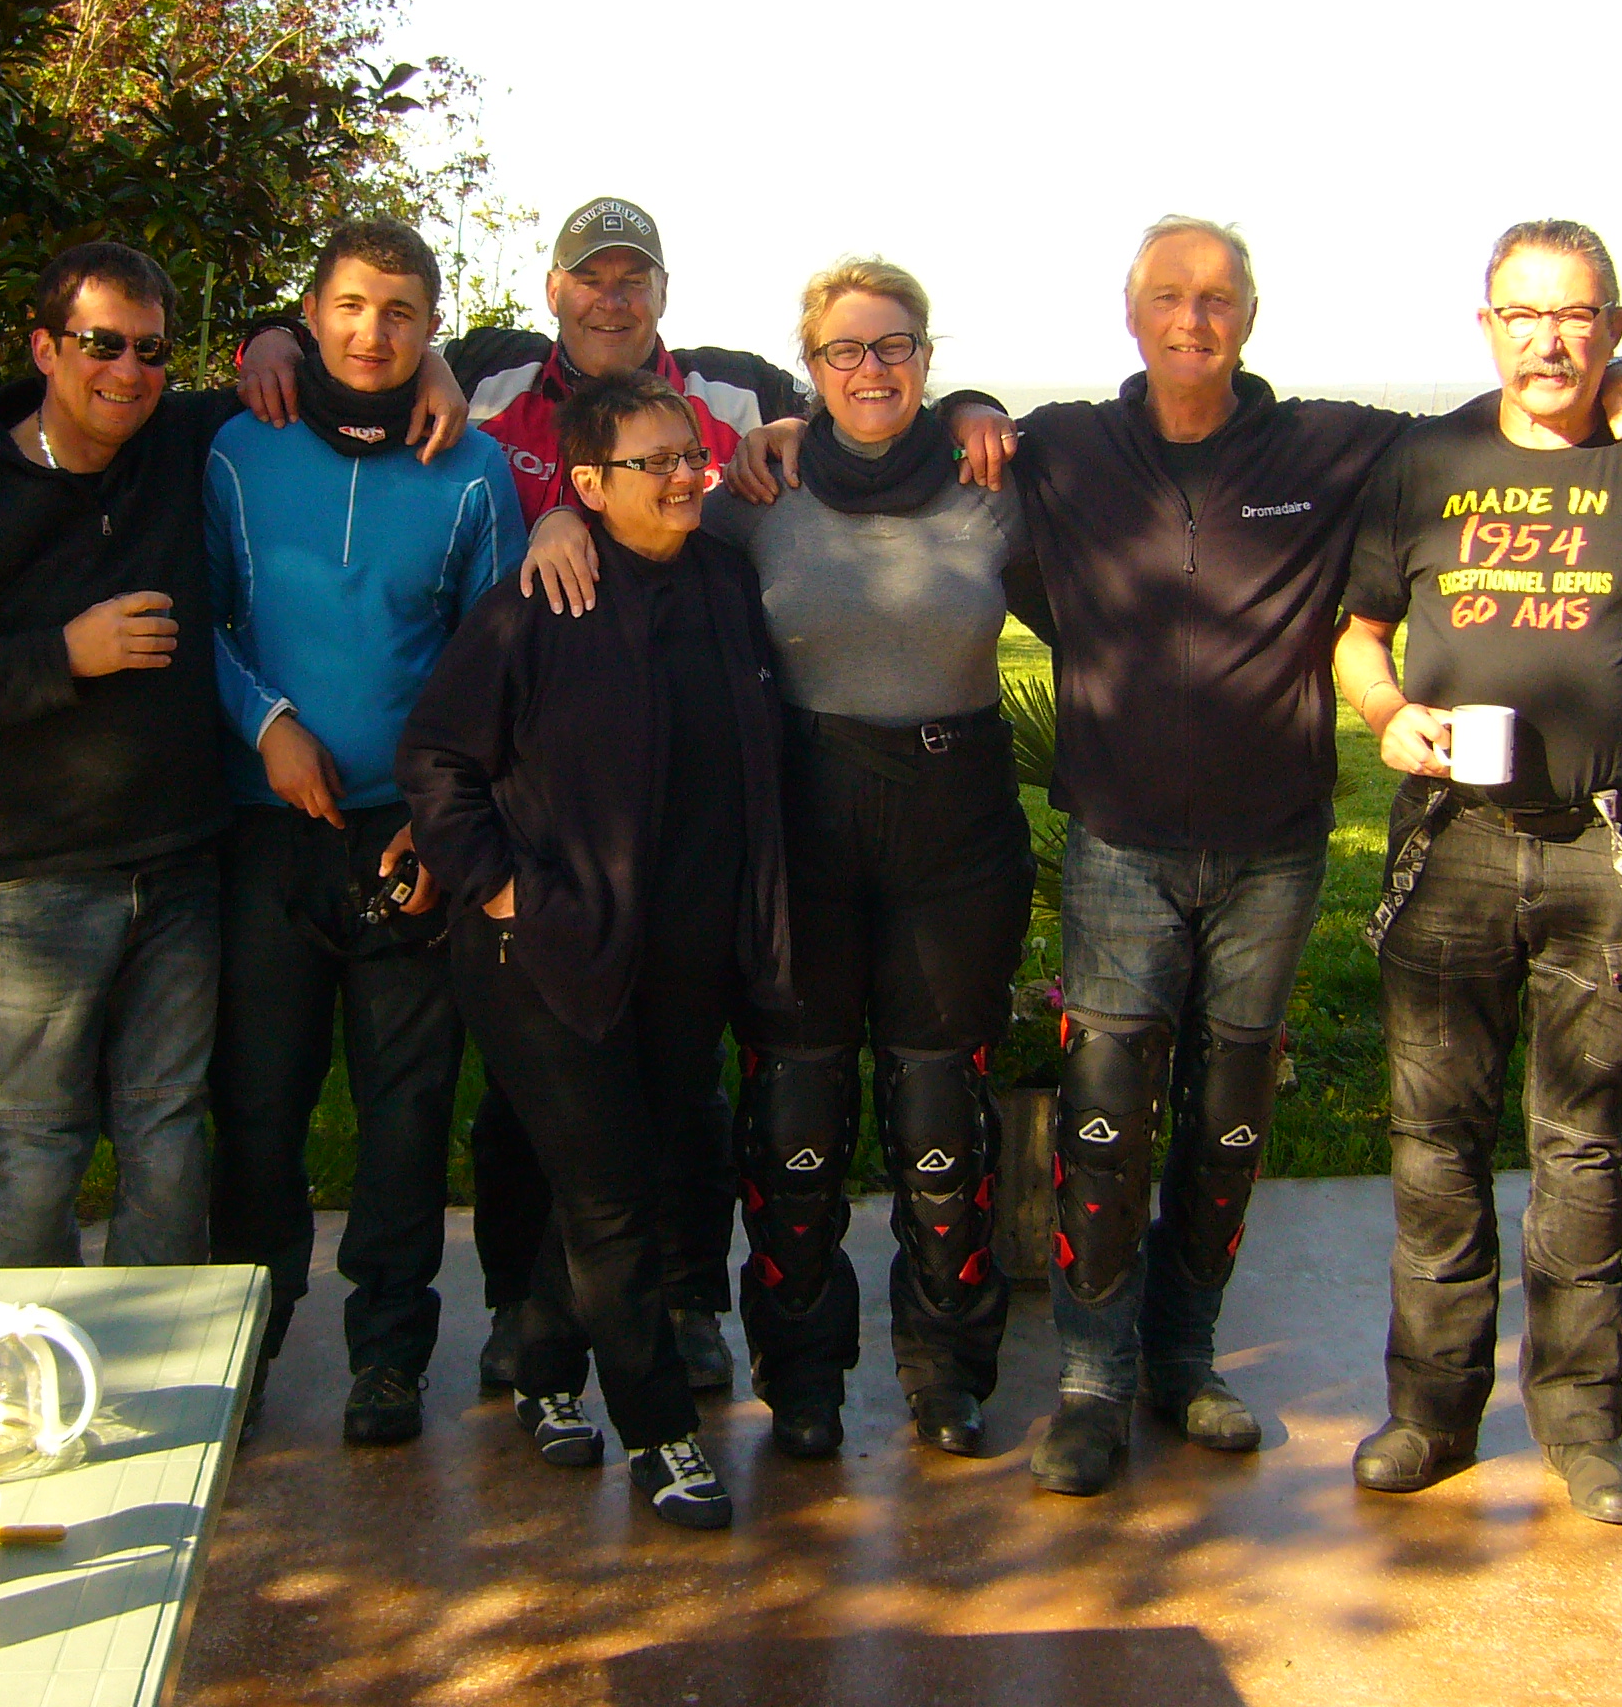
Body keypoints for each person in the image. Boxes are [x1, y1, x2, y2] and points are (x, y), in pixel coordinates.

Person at [738, 214, 1622, 1495]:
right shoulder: (1061, 447)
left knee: (1224, 1122)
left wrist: (1607, 380)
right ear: (1131, 316)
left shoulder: (1320, 444)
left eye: (1216, 297)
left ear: (1248, 315)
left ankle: (1176, 1359)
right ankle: (1085, 1381)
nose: (1192, 318)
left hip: (1268, 843)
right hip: (1112, 837)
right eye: (1167, 297)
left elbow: (1486, 431)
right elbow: (931, 434)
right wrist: (915, 409)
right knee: (1098, 1116)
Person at [238, 195, 811, 1396]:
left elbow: (846, 406)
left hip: (680, 826)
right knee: (526, 1104)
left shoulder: (732, 392)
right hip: (536, 824)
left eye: (633, 278)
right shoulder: (486, 382)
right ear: (551, 292)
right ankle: (523, 1312)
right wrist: (275, 340)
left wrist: (934, 411)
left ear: (662, 293)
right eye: (589, 277)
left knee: (680, 1101)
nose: (612, 297)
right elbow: (371, 352)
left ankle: (680, 1298)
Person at [1333, 219, 1622, 1526]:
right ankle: (1429, 1414)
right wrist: (1385, 715)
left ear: (1613, 329)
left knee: (1580, 1151)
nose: (1548, 340)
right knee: (1434, 1143)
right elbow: (1357, 634)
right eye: (1521, 314)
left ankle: (1582, 1428)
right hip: (1451, 845)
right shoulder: (1425, 462)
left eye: (1574, 315)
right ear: (1486, 328)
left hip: (1604, 845)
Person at [596, 258, 1037, 1461]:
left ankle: (946, 1369)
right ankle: (800, 1376)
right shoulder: (758, 492)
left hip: (955, 827)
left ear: (927, 359)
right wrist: (556, 529)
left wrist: (982, 413)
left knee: (940, 1115)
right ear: (811, 367)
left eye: (893, 346)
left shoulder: (992, 488)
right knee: (794, 1117)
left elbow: (1112, 591)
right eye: (844, 349)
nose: (870, 368)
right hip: (800, 823)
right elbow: (640, 540)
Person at [397, 371, 792, 1530]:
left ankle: (540, 1368)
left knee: (609, 1180)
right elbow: (436, 758)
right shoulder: (537, 600)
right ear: (584, 483)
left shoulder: (724, 582)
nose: (682, 477)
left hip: (683, 954)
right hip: (542, 955)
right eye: (651, 462)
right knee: (615, 1201)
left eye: (689, 455)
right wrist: (501, 888)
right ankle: (660, 1435)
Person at [0, 242, 240, 1271]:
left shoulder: (182, 444)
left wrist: (405, 364)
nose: (128, 372)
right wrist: (62, 655)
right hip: (30, 883)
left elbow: (323, 369)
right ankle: (31, 1359)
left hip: (179, 865)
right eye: (101, 344)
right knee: (33, 1149)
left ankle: (160, 1358)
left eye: (151, 350)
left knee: (167, 1134)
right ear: (43, 349)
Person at [203, 218, 522, 1448]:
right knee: (259, 1105)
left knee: (405, 1109)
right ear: (309, 316)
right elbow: (202, 616)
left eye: (398, 312)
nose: (370, 333)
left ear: (432, 327)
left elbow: (491, 657)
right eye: (346, 306)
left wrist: (445, 818)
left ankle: (388, 1353)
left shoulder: (471, 469)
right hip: (267, 828)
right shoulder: (239, 449)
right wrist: (267, 724)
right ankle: (245, 1343)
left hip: (409, 838)